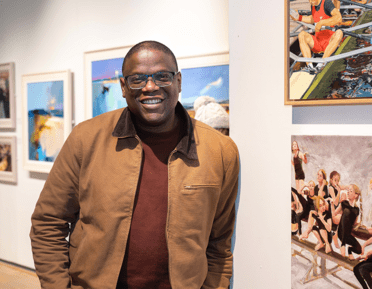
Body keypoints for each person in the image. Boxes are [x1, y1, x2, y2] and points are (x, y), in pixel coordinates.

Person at [30, 41, 240, 289]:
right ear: (122, 86)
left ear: (179, 82)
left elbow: (219, 243)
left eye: (162, 76)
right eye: (137, 79)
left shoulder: (221, 151)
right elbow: (48, 223)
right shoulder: (86, 139)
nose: (150, 87)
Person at [290, 0, 343, 72]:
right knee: (301, 34)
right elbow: (313, 18)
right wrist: (299, 18)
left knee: (339, 33)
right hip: (318, 43)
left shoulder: (327, 3)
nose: (310, 2)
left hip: (329, 42)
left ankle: (322, 63)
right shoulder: (313, 5)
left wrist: (322, 23)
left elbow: (338, 17)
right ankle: (309, 65)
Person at [332, 184, 362, 259]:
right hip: (341, 233)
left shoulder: (356, 210)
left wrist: (359, 225)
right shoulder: (344, 203)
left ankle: (349, 250)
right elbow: (334, 214)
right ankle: (343, 245)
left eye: (350, 191)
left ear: (355, 195)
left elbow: (354, 223)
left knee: (359, 250)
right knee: (346, 211)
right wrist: (331, 205)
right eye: (348, 191)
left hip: (348, 234)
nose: (348, 192)